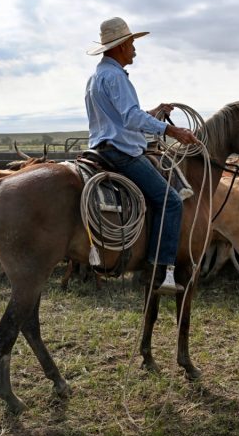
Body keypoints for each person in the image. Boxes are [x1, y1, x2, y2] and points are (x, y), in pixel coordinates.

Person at [85, 17, 199, 295]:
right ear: (121, 46)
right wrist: (171, 130)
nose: (135, 49)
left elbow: (121, 118)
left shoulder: (96, 77)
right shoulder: (115, 77)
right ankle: (160, 271)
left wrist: (154, 112)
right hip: (121, 153)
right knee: (171, 201)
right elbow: (130, 117)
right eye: (132, 43)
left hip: (100, 149)